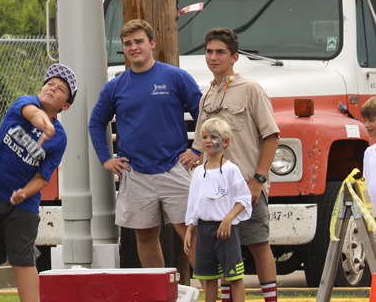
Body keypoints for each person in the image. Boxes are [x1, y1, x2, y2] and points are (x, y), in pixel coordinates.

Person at [88, 18, 202, 267]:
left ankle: (213, 288)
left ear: (152, 44)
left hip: (175, 168)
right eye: (127, 43)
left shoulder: (176, 77)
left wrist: (198, 149)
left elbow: (203, 113)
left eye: (139, 41)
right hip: (135, 173)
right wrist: (106, 159)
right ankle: (158, 288)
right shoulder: (115, 86)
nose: (133, 47)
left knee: (190, 233)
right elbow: (96, 122)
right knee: (146, 236)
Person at [181, 27, 280, 302]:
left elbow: (272, 136)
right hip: (214, 193)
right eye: (209, 52)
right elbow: (201, 146)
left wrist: (258, 180)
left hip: (246, 185)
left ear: (234, 57)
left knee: (258, 244)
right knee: (221, 250)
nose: (213, 57)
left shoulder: (251, 89)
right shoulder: (206, 97)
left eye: (220, 52)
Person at [0, 63, 77, 302]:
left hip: (23, 206)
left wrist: (24, 193)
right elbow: (34, 114)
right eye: (50, 84)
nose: (52, 88)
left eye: (60, 89)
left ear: (65, 106)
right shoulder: (25, 103)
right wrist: (45, 124)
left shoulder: (59, 138)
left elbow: (42, 178)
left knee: (23, 260)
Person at [184, 117, 252, 302]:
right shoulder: (198, 172)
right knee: (209, 278)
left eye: (213, 137)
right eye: (205, 137)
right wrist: (190, 229)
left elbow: (243, 199)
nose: (208, 141)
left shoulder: (231, 170)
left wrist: (228, 218)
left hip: (226, 231)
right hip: (204, 231)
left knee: (234, 276)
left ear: (225, 142)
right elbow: (194, 203)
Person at [360, 96, 376, 216]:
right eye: (365, 120)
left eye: (371, 120)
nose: (366, 125)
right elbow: (365, 187)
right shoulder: (369, 152)